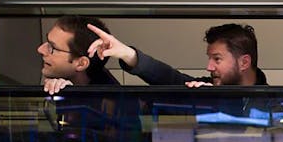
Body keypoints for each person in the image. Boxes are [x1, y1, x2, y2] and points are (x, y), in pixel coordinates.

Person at [85, 22, 269, 87]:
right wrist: (127, 54)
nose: (209, 67)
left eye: (217, 59)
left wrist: (218, 101)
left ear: (244, 63)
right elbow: (168, 78)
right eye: (209, 58)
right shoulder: (205, 86)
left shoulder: (276, 105)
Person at [39, 15, 120, 95]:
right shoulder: (65, 77)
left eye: (52, 47)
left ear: (81, 63)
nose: (40, 49)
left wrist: (71, 98)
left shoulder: (107, 102)